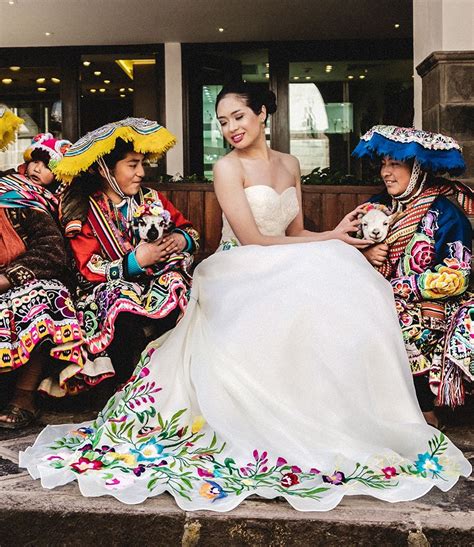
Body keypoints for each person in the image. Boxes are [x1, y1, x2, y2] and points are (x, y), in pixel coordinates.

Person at [20, 84, 470, 510]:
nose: (231, 127)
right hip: (242, 263)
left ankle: (338, 415)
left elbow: (294, 233)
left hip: (285, 254)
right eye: (222, 121)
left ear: (262, 114)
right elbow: (255, 238)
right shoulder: (226, 168)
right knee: (313, 278)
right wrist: (328, 240)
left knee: (348, 280)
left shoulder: (290, 164)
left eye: (239, 116)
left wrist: (333, 236)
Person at [54, 118, 200, 386]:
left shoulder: (152, 199)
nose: (141, 172)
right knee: (122, 302)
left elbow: (190, 232)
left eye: (142, 164)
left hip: (154, 282)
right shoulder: (84, 211)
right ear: (104, 169)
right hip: (106, 289)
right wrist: (136, 261)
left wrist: (180, 241)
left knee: (176, 284)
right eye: (132, 165)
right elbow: (88, 266)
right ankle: (126, 385)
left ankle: (170, 379)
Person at [353, 125, 473, 426]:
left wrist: (401, 287)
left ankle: (425, 408)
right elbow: (348, 248)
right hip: (379, 293)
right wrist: (365, 254)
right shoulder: (376, 208)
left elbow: (458, 274)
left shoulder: (445, 213)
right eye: (383, 164)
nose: (386, 173)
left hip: (430, 301)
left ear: (417, 168)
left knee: (397, 317)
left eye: (395, 164)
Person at [0, 123, 83, 428]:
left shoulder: (41, 206)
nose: (37, 168)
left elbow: (51, 254)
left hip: (22, 278)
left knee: (44, 298)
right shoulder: (4, 186)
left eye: (47, 166)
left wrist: (8, 278)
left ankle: (23, 398)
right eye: (34, 161)